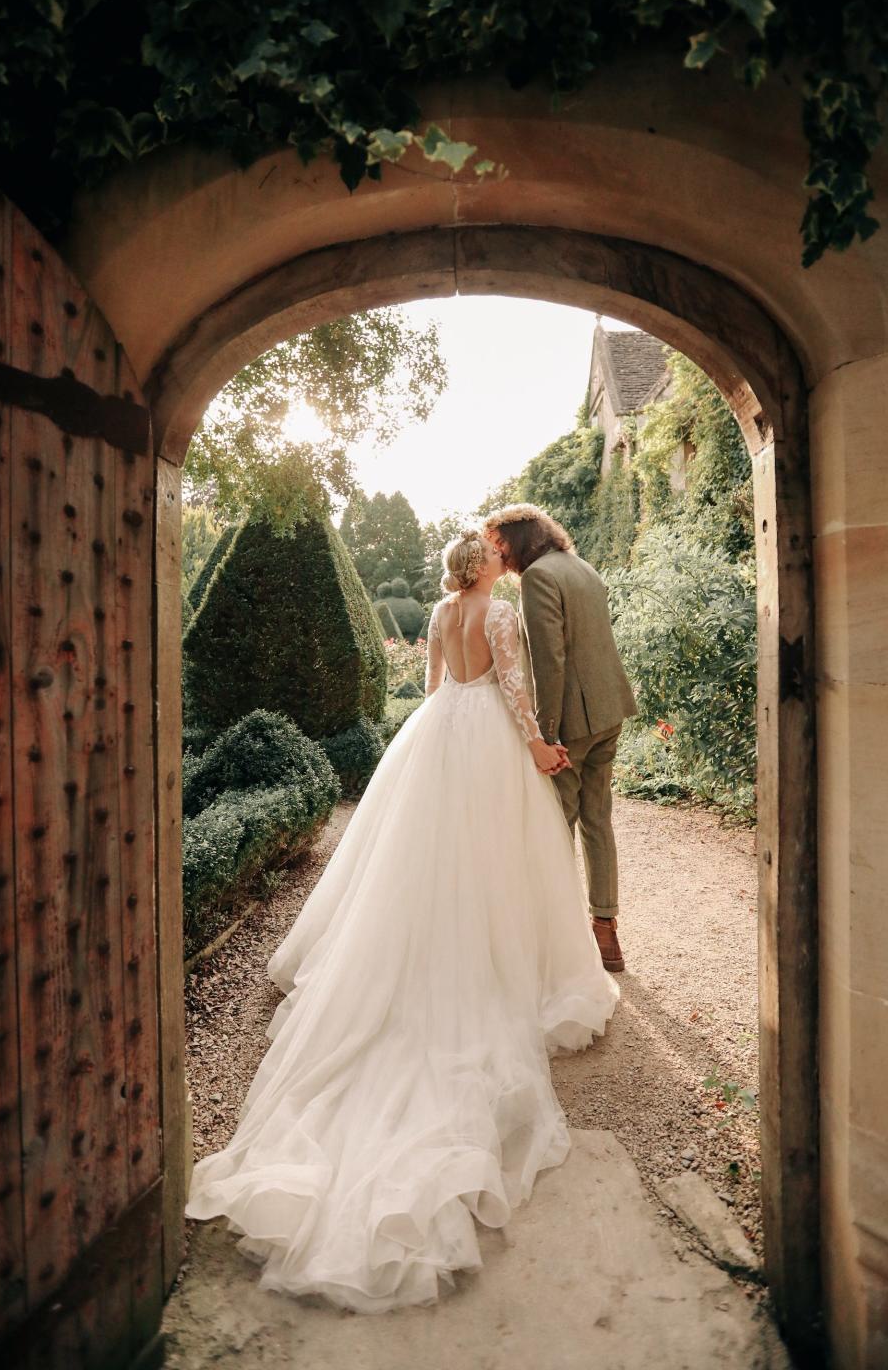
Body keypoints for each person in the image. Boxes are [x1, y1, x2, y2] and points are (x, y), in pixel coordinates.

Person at [184, 528, 619, 1313]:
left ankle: (422, 954)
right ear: (483, 567)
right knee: (497, 861)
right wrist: (539, 749)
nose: (499, 558)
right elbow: (517, 692)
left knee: (419, 859)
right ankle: (498, 965)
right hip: (486, 733)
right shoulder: (501, 614)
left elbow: (428, 689)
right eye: (491, 554)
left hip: (436, 734)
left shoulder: (440, 615)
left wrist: (442, 732)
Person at [482, 505, 639, 973]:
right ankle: (606, 931)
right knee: (598, 820)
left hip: (571, 723)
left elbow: (549, 661)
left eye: (500, 544)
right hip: (610, 708)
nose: (497, 553)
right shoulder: (582, 567)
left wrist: (545, 736)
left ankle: (559, 943)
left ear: (520, 538)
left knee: (555, 827)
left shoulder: (538, 578)